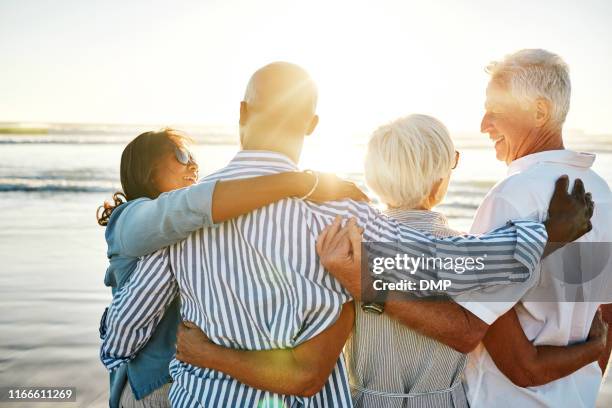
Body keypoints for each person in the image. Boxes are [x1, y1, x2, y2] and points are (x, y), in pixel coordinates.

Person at [100, 62, 586, 408]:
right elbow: (448, 261)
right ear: (311, 125)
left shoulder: (182, 216)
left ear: (243, 113)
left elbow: (123, 336)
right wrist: (543, 235)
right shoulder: (339, 210)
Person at [176, 114, 601, 408]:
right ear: (439, 178)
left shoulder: (341, 251)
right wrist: (546, 235)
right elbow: (480, 305)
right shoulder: (469, 252)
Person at [97, 128, 369, 408]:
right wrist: (306, 183)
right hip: (153, 385)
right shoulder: (130, 219)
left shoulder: (187, 230)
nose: (192, 164)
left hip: (186, 380)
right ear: (147, 171)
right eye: (180, 155)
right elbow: (191, 206)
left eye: (192, 157)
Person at [454, 49, 612, 408]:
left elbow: (504, 354)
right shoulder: (603, 194)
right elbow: (608, 314)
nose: (483, 124)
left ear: (539, 112)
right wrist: (582, 382)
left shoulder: (510, 197)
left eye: (495, 110)